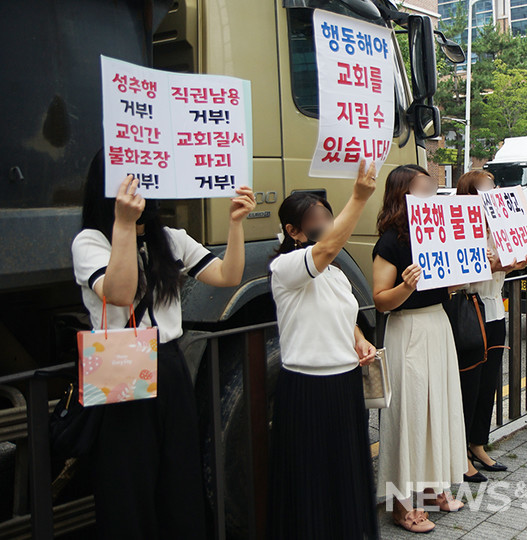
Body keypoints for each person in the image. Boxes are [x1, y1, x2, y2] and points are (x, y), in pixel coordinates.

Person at [72, 151, 255, 538]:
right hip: (122, 364)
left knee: (178, 475)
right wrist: (124, 226)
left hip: (168, 362)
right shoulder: (90, 242)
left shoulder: (170, 239)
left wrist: (235, 223)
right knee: (128, 482)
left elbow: (228, 274)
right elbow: (120, 294)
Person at [267, 161, 379, 539]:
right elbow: (329, 246)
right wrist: (360, 197)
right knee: (311, 480)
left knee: (344, 473)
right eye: (316, 219)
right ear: (294, 231)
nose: (327, 224)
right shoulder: (287, 267)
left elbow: (342, 315)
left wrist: (359, 339)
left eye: (328, 216)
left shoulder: (334, 272)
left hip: (345, 385)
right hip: (307, 390)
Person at [372, 165, 466, 533]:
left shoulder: (439, 233)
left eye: (432, 187)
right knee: (409, 414)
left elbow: (449, 285)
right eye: (422, 188)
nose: (431, 193)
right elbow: (381, 300)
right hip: (407, 330)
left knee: (437, 407)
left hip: (437, 325)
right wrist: (407, 287)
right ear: (402, 194)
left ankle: (433, 489)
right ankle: (401, 503)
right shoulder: (390, 241)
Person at [457, 171, 527, 479]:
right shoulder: (461, 227)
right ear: (469, 194)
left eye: (492, 185)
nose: (492, 191)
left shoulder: (502, 224)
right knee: (468, 387)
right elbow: (462, 271)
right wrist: (497, 264)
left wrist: (519, 260)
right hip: (469, 310)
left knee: (489, 384)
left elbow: (515, 259)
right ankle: (460, 452)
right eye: (484, 187)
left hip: (495, 309)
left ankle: (478, 444)